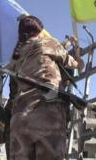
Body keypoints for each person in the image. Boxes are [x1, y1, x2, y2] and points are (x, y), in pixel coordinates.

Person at [7, 15, 79, 160]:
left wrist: (67, 43)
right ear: (39, 30)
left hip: (20, 119)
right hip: (45, 114)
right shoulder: (46, 43)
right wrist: (77, 53)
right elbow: (71, 62)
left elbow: (13, 88)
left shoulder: (15, 57)